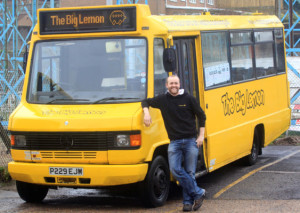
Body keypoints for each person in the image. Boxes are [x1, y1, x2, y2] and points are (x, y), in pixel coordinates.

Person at [141, 75, 206, 212]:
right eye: (171, 83)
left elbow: (202, 116)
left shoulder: (189, 99)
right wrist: (146, 114)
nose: (174, 85)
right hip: (174, 142)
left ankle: (188, 203)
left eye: (176, 83)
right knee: (175, 170)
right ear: (166, 85)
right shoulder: (162, 99)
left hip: (190, 141)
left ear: (179, 84)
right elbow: (145, 101)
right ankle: (199, 193)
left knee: (189, 172)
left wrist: (201, 136)